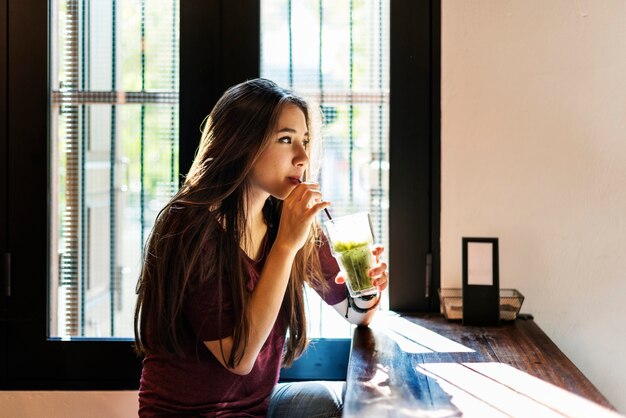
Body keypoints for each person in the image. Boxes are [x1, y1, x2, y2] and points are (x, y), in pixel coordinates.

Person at [134, 78, 389, 417]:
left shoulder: (284, 218)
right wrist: (285, 247)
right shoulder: (190, 229)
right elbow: (237, 358)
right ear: (242, 145)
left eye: (305, 141)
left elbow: (355, 313)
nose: (302, 157)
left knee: (348, 403)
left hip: (256, 409)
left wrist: (367, 286)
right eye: (286, 140)